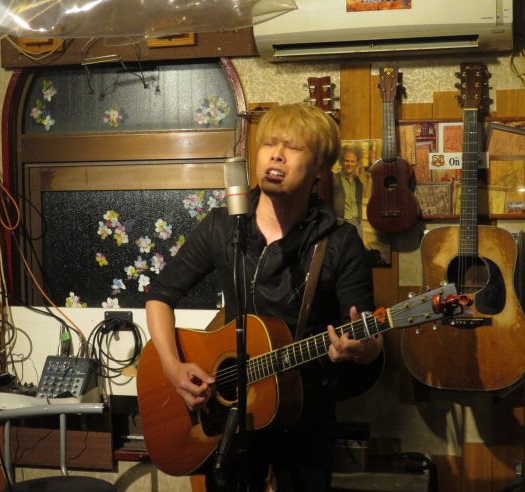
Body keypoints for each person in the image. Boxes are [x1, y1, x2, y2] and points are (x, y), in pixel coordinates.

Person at [146, 103, 383, 491]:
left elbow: (369, 336)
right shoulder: (224, 226)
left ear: (320, 168)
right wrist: (173, 369)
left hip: (304, 416)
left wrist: (361, 348)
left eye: (294, 147)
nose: (276, 155)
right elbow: (160, 295)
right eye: (270, 144)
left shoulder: (340, 243)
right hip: (228, 416)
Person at [333, 143, 364, 238]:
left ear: (357, 163)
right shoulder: (334, 180)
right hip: (342, 224)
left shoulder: (358, 182)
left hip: (357, 224)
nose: (350, 164)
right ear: (341, 161)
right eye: (346, 161)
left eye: (352, 161)